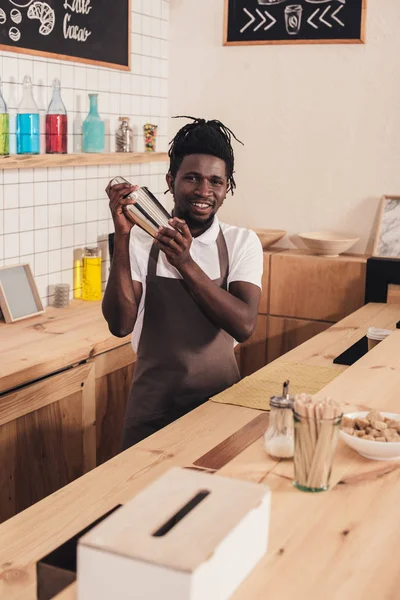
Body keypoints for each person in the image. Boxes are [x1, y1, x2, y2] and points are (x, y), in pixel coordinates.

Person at [103, 117, 264, 450]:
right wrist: (122, 235)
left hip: (220, 410)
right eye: (192, 178)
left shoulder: (241, 243)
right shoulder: (138, 242)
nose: (204, 191)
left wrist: (185, 263)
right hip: (150, 414)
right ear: (170, 180)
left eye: (215, 181)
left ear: (227, 187)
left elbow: (244, 324)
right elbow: (120, 325)